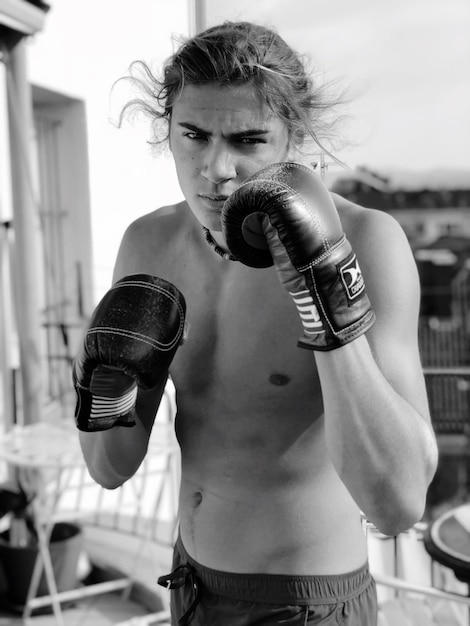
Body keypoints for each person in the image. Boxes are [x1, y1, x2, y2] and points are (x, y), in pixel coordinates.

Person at [73, 20, 438, 625]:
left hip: (307, 606)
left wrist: (324, 294)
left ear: (293, 137)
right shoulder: (149, 244)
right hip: (190, 586)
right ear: (169, 128)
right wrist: (101, 382)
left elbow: (398, 504)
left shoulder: (369, 243)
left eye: (247, 140)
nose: (216, 169)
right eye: (193, 135)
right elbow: (109, 467)